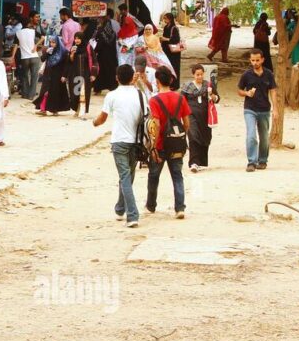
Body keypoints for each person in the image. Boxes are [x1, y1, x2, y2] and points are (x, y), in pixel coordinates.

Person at [92, 64, 146, 228]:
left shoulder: (112, 96)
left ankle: (132, 215)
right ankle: (120, 207)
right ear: (132, 78)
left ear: (117, 78)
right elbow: (147, 116)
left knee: (124, 178)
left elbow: (102, 118)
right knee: (128, 177)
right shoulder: (140, 95)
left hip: (119, 140)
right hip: (136, 142)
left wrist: (94, 122)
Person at [145, 66, 191, 218]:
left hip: (160, 144)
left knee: (154, 176)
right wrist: (181, 136)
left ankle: (151, 205)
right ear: (171, 80)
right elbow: (186, 122)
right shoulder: (180, 98)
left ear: (157, 81)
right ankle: (180, 207)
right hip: (176, 142)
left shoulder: (154, 100)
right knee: (177, 175)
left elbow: (156, 124)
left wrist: (153, 145)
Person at [237, 47, 277, 172]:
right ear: (250, 60)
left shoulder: (269, 74)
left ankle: (263, 160)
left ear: (262, 60)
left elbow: (273, 91)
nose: (255, 63)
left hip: (264, 109)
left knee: (264, 137)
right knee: (251, 136)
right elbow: (239, 90)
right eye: (253, 60)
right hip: (250, 109)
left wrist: (275, 109)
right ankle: (251, 162)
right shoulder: (246, 75)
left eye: (257, 60)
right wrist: (246, 93)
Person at [181, 63, 219, 172]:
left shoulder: (208, 85)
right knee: (193, 136)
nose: (200, 77)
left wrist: (213, 96)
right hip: (191, 115)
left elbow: (217, 98)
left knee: (204, 137)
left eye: (201, 74)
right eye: (197, 75)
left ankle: (201, 162)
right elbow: (182, 101)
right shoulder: (187, 86)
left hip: (205, 115)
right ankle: (193, 162)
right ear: (193, 75)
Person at [64, 31, 97, 118]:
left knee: (83, 93)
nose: (77, 40)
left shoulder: (88, 48)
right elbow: (69, 62)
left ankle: (82, 111)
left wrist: (93, 74)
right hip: (75, 75)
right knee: (75, 93)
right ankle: (77, 109)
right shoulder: (73, 48)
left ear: (82, 39)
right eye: (75, 38)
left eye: (78, 38)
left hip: (85, 74)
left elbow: (94, 61)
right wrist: (71, 54)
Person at [34, 37, 71, 115]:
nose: (52, 44)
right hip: (48, 74)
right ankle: (43, 109)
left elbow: (66, 65)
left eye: (54, 42)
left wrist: (64, 75)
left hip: (57, 75)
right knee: (44, 91)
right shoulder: (50, 51)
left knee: (55, 92)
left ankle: (55, 110)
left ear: (58, 43)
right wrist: (46, 53)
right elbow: (42, 59)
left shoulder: (64, 52)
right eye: (51, 42)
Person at [17, 12, 43, 100]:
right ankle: (31, 95)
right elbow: (43, 37)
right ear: (29, 23)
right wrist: (36, 45)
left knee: (24, 76)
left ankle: (25, 94)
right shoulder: (33, 31)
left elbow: (16, 45)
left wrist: (12, 56)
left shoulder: (18, 32)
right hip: (34, 56)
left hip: (24, 57)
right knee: (34, 76)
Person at [92, 12, 119, 93]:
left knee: (101, 72)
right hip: (112, 56)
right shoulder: (113, 33)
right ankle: (112, 87)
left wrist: (95, 50)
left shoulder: (101, 31)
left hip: (102, 56)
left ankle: (98, 88)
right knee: (111, 72)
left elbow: (99, 44)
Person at [160, 13, 183, 88]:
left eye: (165, 18)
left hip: (174, 53)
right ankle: (169, 83)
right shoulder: (166, 27)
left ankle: (175, 85)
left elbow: (176, 40)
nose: (164, 20)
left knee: (174, 67)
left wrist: (165, 39)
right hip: (167, 51)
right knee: (168, 67)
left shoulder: (174, 28)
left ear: (169, 19)